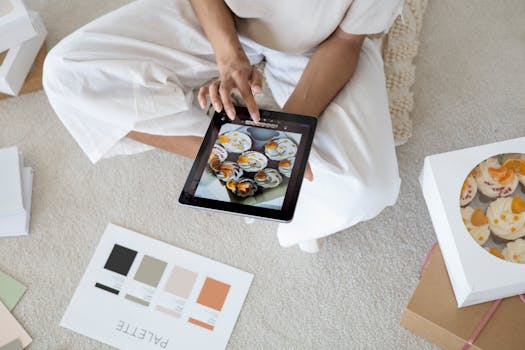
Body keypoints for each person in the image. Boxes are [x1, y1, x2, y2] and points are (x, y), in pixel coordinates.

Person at [43, 0, 403, 252]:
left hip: (319, 46)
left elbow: (345, 41)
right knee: (66, 73)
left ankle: (246, 154)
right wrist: (228, 57)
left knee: (365, 189)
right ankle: (226, 154)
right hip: (220, 18)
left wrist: (288, 131)